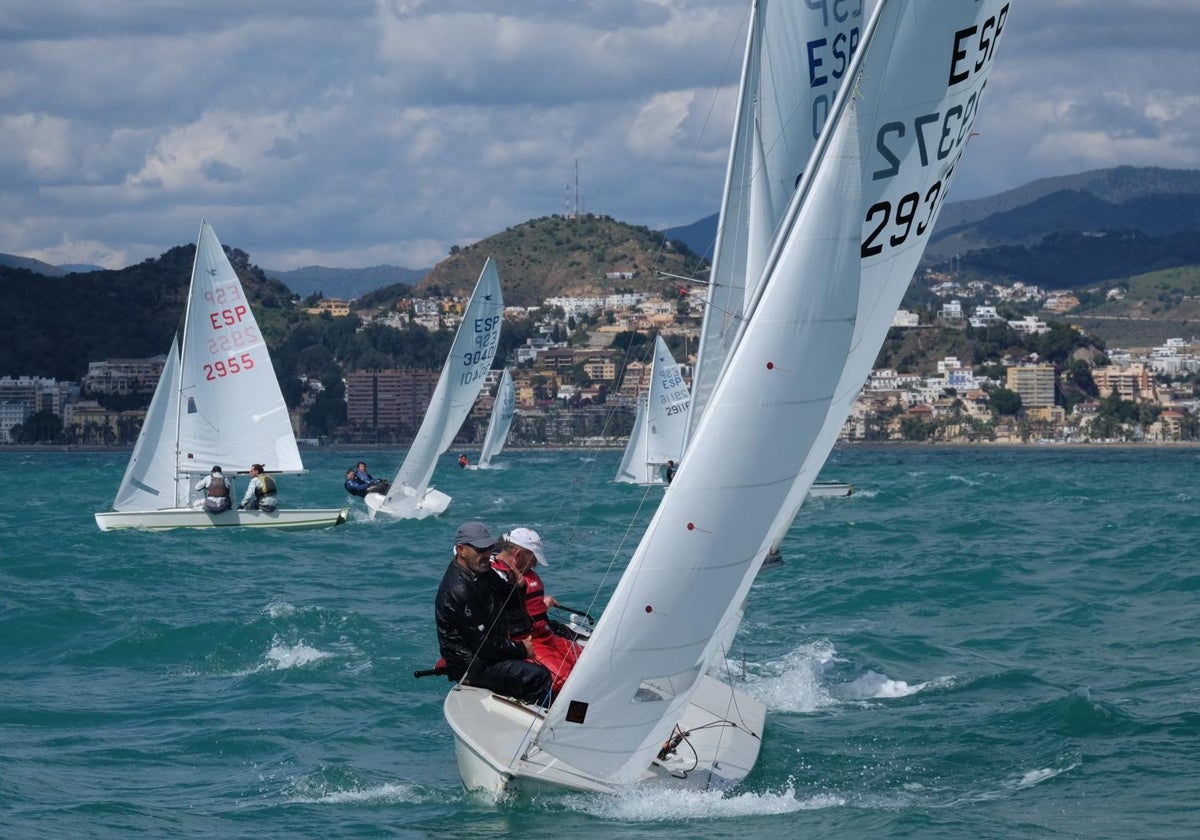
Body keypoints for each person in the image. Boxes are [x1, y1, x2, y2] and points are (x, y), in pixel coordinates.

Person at [434, 521, 552, 705]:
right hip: (472, 665)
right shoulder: (459, 591)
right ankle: (534, 725)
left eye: (489, 548)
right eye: (480, 550)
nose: (487, 555)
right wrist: (522, 649)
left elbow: (510, 603)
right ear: (461, 550)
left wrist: (516, 587)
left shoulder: (482, 570)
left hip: (489, 652)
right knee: (539, 677)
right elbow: (484, 645)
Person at [492, 527, 581, 696]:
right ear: (518, 555)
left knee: (590, 663)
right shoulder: (499, 578)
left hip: (546, 635)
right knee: (564, 681)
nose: (536, 564)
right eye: (533, 559)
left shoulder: (526, 574)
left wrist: (541, 603)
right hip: (528, 642)